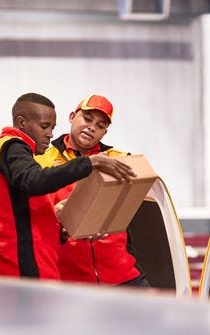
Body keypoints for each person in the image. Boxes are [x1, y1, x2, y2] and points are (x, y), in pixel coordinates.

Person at [0, 92, 134, 280]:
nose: (50, 134)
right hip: (22, 272)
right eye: (44, 127)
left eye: (52, 128)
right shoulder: (11, 146)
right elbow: (34, 181)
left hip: (42, 269)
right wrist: (89, 164)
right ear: (22, 123)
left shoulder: (23, 158)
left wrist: (60, 232)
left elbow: (31, 216)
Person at [36, 94, 149, 287]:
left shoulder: (120, 159)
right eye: (87, 119)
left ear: (104, 132)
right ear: (72, 116)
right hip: (70, 279)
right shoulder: (42, 161)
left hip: (123, 275)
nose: (92, 127)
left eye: (100, 125)